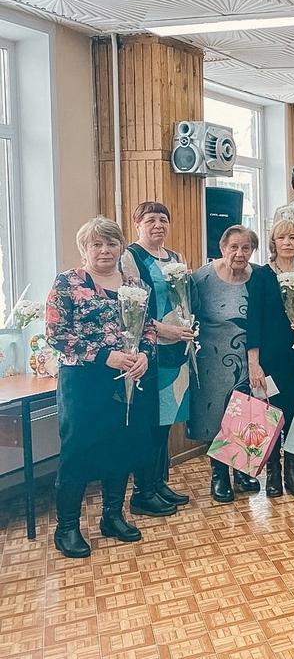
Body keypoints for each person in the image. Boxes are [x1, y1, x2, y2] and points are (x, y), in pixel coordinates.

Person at [46, 217, 156, 558]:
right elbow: (56, 335)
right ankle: (67, 527)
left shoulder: (134, 284)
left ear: (121, 247)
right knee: (77, 450)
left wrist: (145, 355)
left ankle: (112, 516)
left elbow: (148, 328)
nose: (105, 250)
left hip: (125, 378)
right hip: (82, 381)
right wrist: (106, 356)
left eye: (111, 243)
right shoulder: (68, 282)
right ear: (85, 249)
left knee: (120, 444)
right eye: (97, 244)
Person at [119, 202, 195, 519]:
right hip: (148, 350)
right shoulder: (130, 257)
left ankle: (159, 483)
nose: (158, 225)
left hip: (176, 350)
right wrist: (164, 330)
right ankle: (142, 492)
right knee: (149, 421)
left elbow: (183, 300)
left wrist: (186, 326)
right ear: (137, 224)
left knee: (166, 420)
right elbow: (131, 307)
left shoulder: (176, 257)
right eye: (150, 220)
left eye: (163, 219)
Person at [190, 225, 258, 503]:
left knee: (245, 414)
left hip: (248, 358)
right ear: (222, 248)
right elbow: (187, 315)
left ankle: (241, 471)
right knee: (216, 415)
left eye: (246, 248)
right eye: (234, 247)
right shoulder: (201, 278)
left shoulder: (258, 276)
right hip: (212, 358)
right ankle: (219, 475)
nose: (239, 253)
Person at [247, 219, 294, 498]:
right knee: (271, 413)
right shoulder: (261, 276)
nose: (287, 242)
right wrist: (254, 363)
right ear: (273, 242)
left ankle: (292, 471)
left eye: (293, 238)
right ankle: (273, 472)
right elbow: (253, 321)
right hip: (269, 358)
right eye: (282, 238)